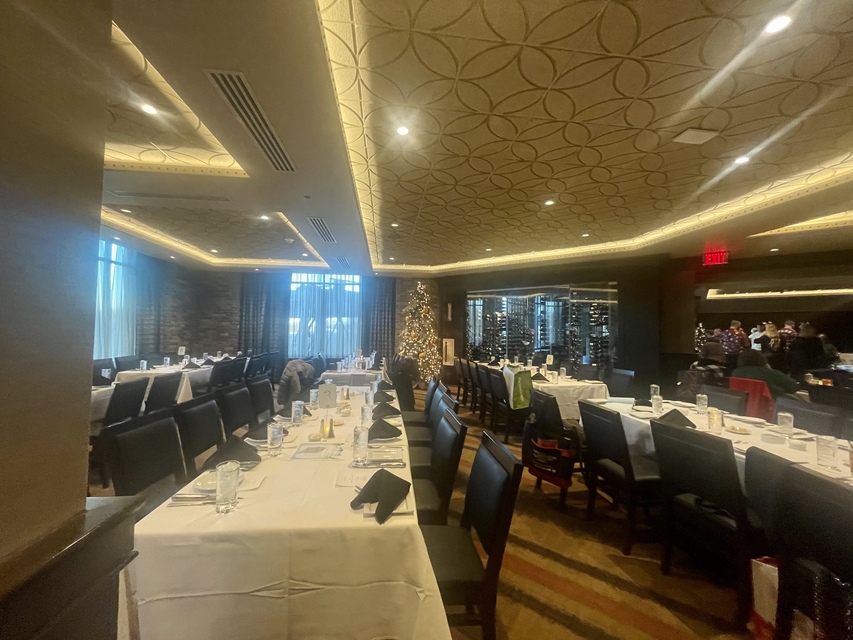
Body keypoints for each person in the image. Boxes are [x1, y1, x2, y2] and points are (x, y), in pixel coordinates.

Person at [731, 349, 799, 397]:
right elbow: (793, 386)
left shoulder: (735, 372)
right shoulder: (770, 373)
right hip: (769, 405)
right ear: (761, 358)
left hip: (743, 403)